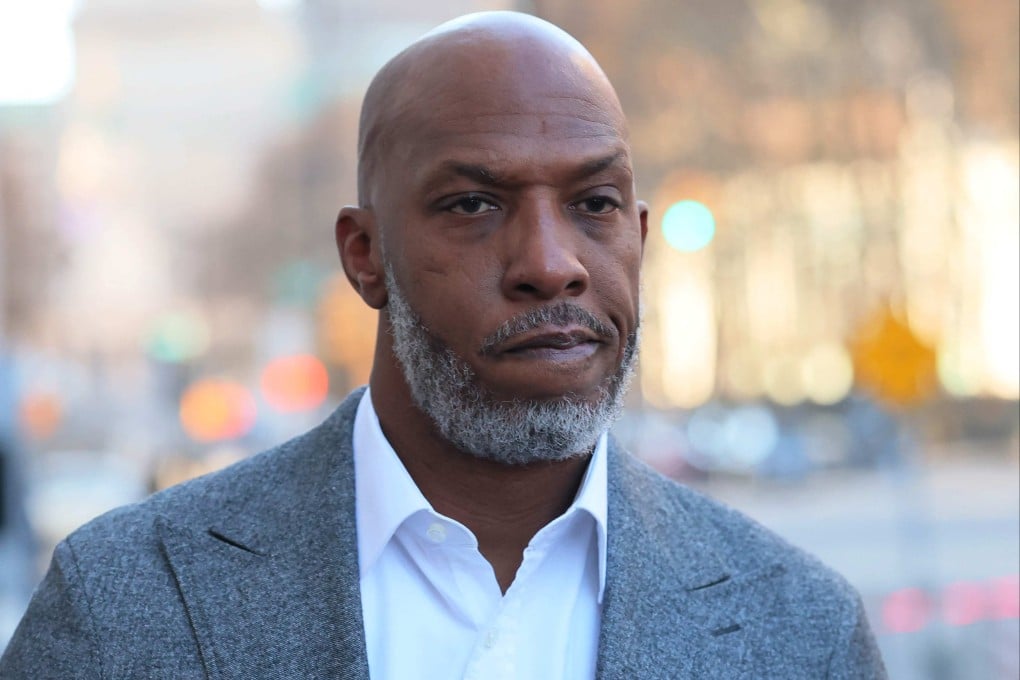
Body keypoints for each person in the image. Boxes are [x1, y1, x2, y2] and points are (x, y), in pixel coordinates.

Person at [0, 11, 886, 679]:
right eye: (473, 204)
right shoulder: (124, 605)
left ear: (640, 239)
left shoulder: (804, 632)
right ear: (364, 255)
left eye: (595, 204)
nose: (551, 265)